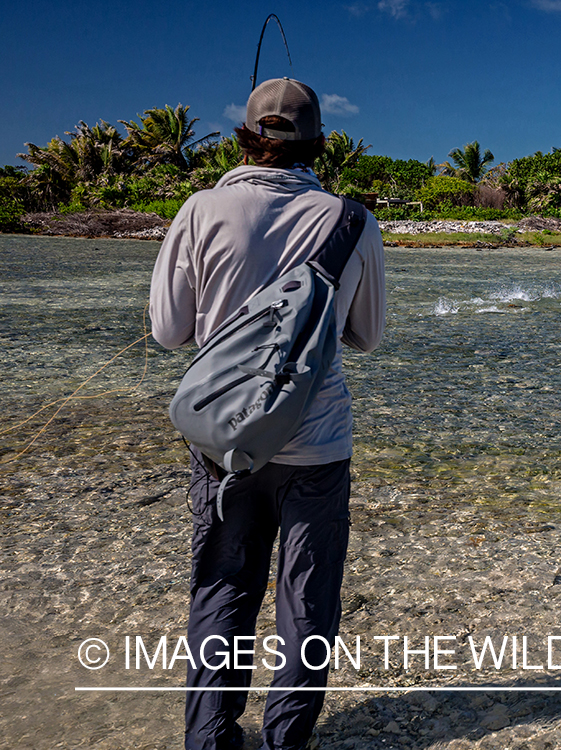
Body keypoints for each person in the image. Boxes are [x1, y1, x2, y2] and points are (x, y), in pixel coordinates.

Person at [149, 77, 386, 750]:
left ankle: (210, 739)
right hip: (317, 445)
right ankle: (286, 742)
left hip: (222, 443)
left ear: (245, 138)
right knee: (306, 605)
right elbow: (366, 336)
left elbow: (169, 332)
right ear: (318, 144)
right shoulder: (351, 220)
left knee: (222, 590)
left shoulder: (199, 210)